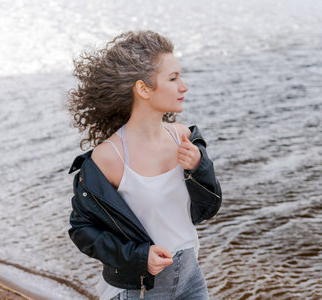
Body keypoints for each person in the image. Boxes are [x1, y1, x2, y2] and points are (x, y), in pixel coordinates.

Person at [67, 30, 222, 300]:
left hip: (190, 276)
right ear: (142, 89)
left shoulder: (183, 137)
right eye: (173, 78)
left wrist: (200, 168)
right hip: (138, 290)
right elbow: (82, 230)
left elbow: (209, 208)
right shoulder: (108, 158)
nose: (184, 86)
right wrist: (139, 257)